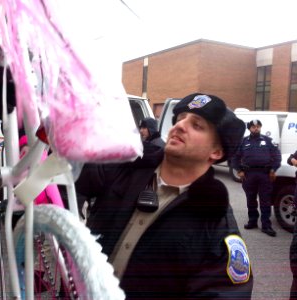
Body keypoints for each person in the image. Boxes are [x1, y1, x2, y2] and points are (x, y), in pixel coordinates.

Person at [76, 93, 253, 298]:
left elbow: (225, 293)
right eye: (181, 118)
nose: (180, 126)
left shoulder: (216, 222)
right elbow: (72, 175)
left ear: (216, 152)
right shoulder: (126, 167)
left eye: (196, 125)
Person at [232, 119, 281, 237]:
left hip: (265, 174)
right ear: (249, 129)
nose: (256, 128)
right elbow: (234, 157)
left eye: (258, 126)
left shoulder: (267, 141)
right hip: (249, 175)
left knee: (265, 201)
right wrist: (239, 170)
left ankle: (266, 225)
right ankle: (252, 221)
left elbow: (277, 156)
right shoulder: (243, 142)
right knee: (251, 199)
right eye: (254, 127)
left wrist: (273, 169)